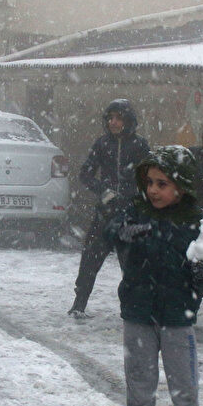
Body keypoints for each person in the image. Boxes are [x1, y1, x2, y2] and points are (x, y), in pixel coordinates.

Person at [106, 145, 203, 406]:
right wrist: (122, 233)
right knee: (140, 385)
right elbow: (108, 230)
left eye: (162, 184)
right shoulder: (136, 212)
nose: (153, 190)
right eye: (150, 183)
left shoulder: (197, 222)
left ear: (181, 187)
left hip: (177, 316)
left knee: (184, 388)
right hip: (139, 313)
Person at [68, 99, 150, 318]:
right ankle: (79, 303)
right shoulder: (102, 144)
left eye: (118, 118)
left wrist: (135, 197)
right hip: (105, 214)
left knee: (131, 265)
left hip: (130, 217)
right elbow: (85, 173)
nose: (113, 123)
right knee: (90, 259)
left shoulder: (140, 145)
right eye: (110, 118)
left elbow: (149, 177)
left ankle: (134, 309)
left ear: (128, 121)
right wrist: (102, 190)